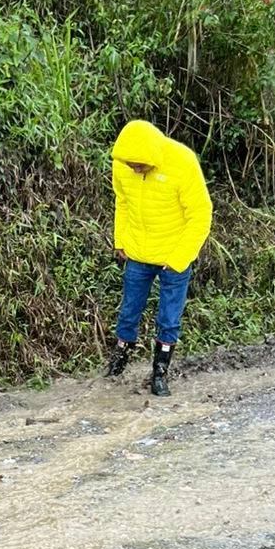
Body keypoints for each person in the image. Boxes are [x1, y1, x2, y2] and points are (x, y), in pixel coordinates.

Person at [106, 119, 213, 396]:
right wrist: (121, 240)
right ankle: (118, 363)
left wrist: (179, 257)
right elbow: (123, 201)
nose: (133, 169)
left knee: (168, 318)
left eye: (138, 165)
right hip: (139, 253)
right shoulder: (122, 163)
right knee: (129, 311)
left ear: (151, 157)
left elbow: (200, 215)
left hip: (174, 256)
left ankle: (160, 372)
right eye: (129, 164)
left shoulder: (182, 161)